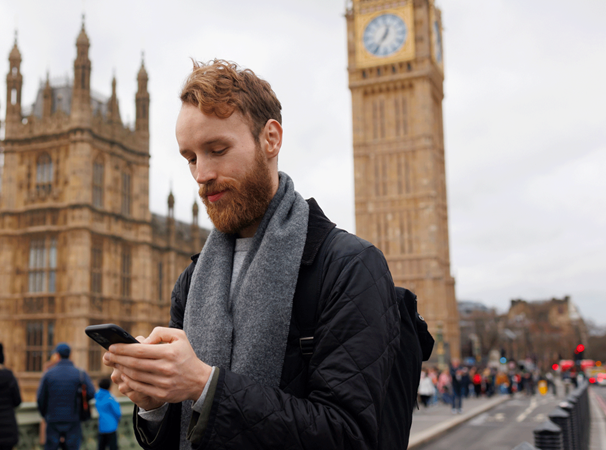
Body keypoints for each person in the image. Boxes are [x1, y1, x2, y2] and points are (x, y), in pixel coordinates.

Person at [104, 59, 401, 449]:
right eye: (191, 158)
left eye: (217, 149)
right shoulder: (192, 283)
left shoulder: (349, 267)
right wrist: (154, 404)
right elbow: (186, 434)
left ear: (271, 139)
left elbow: (349, 435)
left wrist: (204, 383)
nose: (201, 174)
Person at [37, 343, 96, 450]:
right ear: (70, 355)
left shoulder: (48, 374)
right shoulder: (80, 374)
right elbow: (91, 393)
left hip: (53, 419)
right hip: (73, 419)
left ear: (57, 355)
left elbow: (40, 398)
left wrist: (45, 415)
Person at [95, 378, 122, 450]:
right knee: (113, 447)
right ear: (109, 387)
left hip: (101, 425)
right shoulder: (110, 398)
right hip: (111, 426)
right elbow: (118, 412)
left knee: (101, 447)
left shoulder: (97, 396)